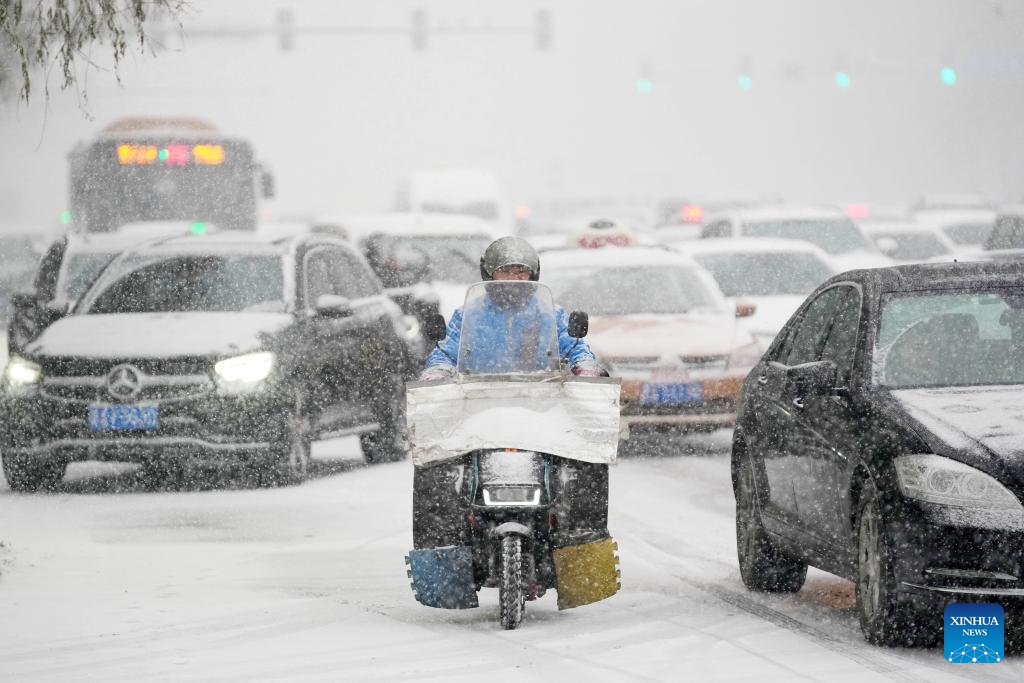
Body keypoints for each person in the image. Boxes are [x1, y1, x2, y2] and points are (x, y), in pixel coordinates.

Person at [420, 236, 603, 379]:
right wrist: (437, 371)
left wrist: (584, 367)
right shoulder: (468, 314)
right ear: (490, 274)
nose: (514, 278)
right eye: (506, 271)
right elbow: (445, 352)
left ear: (533, 275)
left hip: (542, 400)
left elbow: (575, 348)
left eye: (521, 272)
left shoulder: (551, 313)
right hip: (478, 400)